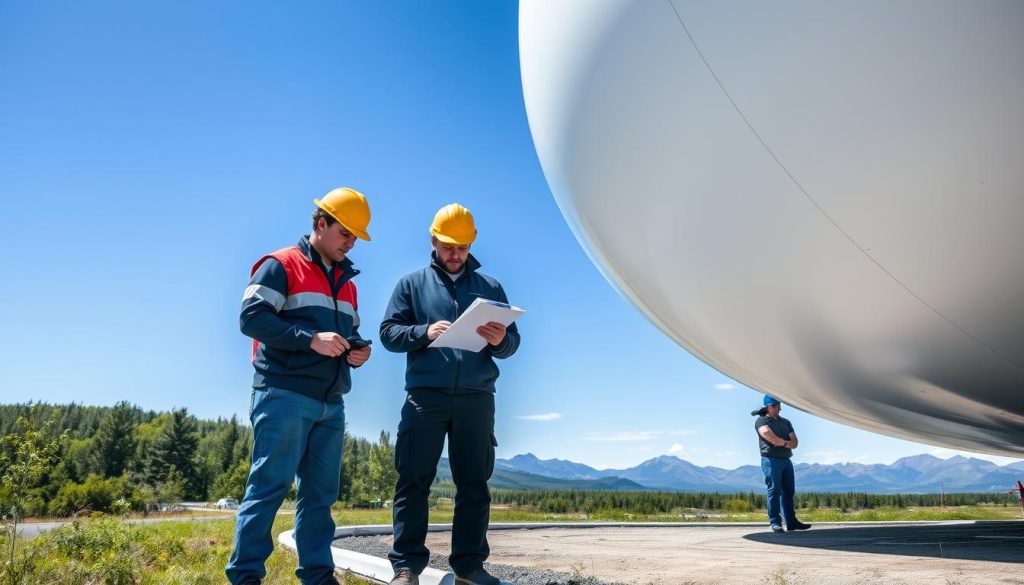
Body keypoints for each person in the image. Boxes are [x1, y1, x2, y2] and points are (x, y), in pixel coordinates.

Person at [226, 187, 374, 585]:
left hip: (331, 403)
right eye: (345, 233)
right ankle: (245, 577)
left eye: (356, 237)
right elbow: (251, 319)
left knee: (320, 498)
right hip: (284, 394)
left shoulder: (349, 283)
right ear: (321, 224)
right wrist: (311, 339)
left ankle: (318, 576)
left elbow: (343, 335)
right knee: (268, 489)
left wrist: (355, 353)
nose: (351, 243)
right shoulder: (280, 265)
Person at [381, 203, 520, 585]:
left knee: (474, 483)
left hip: (477, 399)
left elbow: (512, 345)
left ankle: (470, 568)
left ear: (471, 242)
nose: (454, 254)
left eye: (461, 246)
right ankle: (406, 567)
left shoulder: (491, 288)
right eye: (447, 246)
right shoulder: (410, 285)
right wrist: (423, 333)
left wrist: (500, 340)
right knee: (413, 480)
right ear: (433, 241)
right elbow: (388, 333)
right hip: (425, 397)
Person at [753, 395, 811, 533]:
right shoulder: (761, 420)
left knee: (789, 491)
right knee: (774, 490)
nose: (777, 408)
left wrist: (783, 443)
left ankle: (792, 522)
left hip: (786, 460)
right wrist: (782, 441)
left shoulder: (786, 422)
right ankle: (775, 522)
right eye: (773, 405)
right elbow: (766, 433)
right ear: (767, 407)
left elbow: (795, 442)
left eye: (777, 405)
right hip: (771, 460)